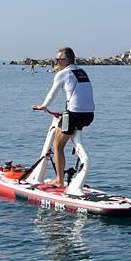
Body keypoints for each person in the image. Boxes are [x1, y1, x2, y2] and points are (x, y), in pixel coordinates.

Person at [32, 47, 95, 187]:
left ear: (67, 60)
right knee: (70, 136)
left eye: (59, 59)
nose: (56, 62)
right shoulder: (81, 71)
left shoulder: (62, 73)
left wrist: (44, 106)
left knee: (57, 145)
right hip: (89, 115)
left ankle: (59, 180)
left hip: (74, 114)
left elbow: (52, 93)